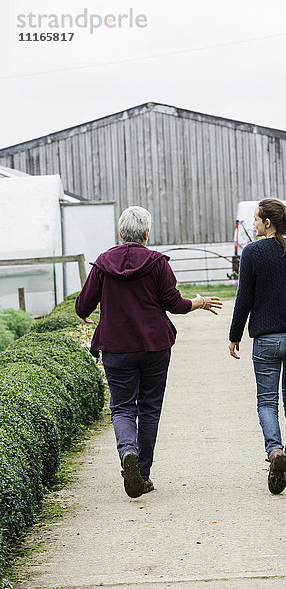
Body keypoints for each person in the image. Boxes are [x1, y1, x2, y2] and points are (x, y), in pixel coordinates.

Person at [75, 206, 222, 498]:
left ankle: (127, 450)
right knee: (149, 408)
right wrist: (199, 302)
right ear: (146, 234)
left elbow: (82, 306)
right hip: (155, 346)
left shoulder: (104, 263)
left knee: (122, 407)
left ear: (120, 234)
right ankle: (142, 474)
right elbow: (175, 305)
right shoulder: (157, 263)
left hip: (116, 347)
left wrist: (88, 315)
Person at [228, 198, 286, 495]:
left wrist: (235, 335)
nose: (254, 224)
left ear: (268, 223)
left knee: (267, 402)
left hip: (267, 340)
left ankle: (274, 451)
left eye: (256, 219)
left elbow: (244, 298)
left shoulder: (253, 253)